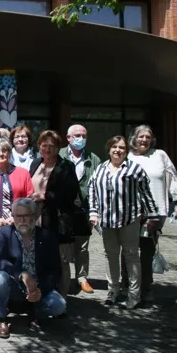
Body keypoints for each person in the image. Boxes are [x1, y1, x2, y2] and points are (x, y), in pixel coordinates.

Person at [88, 136, 158, 309]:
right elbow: (92, 190)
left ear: (126, 151)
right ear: (109, 149)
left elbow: (146, 193)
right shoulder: (100, 169)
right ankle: (113, 290)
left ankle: (134, 295)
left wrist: (153, 215)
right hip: (107, 221)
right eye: (114, 147)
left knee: (131, 256)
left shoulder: (134, 169)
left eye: (122, 148)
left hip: (129, 220)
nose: (117, 150)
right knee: (110, 256)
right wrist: (93, 212)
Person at [0, 198, 67, 339]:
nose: (23, 220)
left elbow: (55, 270)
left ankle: (35, 315)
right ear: (13, 217)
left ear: (34, 216)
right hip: (15, 283)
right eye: (18, 216)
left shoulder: (47, 236)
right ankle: (1, 319)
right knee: (0, 279)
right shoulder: (6, 233)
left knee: (59, 305)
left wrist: (40, 290)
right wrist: (20, 274)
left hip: (38, 286)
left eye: (26, 215)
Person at [126, 125, 177, 303]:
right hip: (130, 212)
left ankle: (146, 288)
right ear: (134, 139)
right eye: (141, 136)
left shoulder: (160, 155)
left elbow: (173, 177)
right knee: (128, 251)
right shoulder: (126, 156)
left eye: (148, 137)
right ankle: (127, 285)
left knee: (147, 250)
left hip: (155, 211)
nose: (144, 140)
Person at [29, 131, 79, 297]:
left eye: (52, 146)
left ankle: (62, 298)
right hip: (36, 219)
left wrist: (45, 196)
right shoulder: (36, 164)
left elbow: (71, 194)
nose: (48, 149)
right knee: (41, 259)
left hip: (58, 221)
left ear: (58, 148)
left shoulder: (66, 166)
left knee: (62, 261)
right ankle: (43, 295)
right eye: (44, 145)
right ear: (39, 147)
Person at [60, 124, 101, 294]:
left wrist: (95, 210)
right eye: (77, 135)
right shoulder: (59, 154)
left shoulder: (94, 159)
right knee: (62, 246)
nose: (81, 139)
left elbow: (98, 187)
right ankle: (62, 278)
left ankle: (82, 278)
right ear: (68, 138)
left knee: (82, 246)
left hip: (84, 209)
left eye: (84, 135)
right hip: (63, 209)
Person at [0, 139, 33, 229]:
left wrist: (16, 217)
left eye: (4, 150)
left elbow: (29, 199)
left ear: (9, 153)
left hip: (20, 224)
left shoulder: (23, 173)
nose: (1, 154)